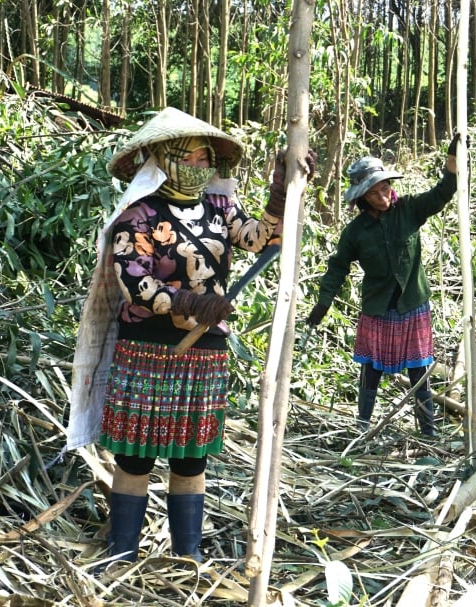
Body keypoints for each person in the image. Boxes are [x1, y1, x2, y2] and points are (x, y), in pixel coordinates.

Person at [91, 107, 312, 566]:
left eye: (204, 157)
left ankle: (186, 557)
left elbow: (259, 238)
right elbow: (135, 283)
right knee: (135, 456)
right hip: (147, 347)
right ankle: (122, 554)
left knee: (191, 457)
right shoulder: (138, 214)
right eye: (187, 157)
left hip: (205, 349)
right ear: (163, 159)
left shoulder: (220, 207)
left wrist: (280, 189)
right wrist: (192, 303)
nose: (197, 165)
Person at [305, 136, 460, 437]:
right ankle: (362, 428)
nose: (383, 196)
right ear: (362, 198)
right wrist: (324, 301)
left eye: (385, 188)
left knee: (419, 370)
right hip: (378, 307)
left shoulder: (410, 210)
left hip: (412, 303)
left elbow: (443, 192)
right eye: (374, 193)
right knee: (370, 370)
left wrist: (452, 159)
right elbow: (338, 266)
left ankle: (428, 432)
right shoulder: (356, 232)